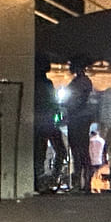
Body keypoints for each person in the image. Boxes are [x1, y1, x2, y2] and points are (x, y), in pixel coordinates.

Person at [34, 54, 67, 193]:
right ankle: (48, 178)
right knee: (58, 151)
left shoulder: (38, 83)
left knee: (40, 153)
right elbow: (52, 103)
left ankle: (42, 179)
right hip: (46, 122)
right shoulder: (45, 83)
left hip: (42, 122)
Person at [63, 56, 94, 192]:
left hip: (78, 119)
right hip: (78, 119)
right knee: (79, 151)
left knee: (79, 151)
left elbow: (78, 100)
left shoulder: (82, 82)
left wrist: (69, 106)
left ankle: (83, 183)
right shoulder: (81, 82)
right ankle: (82, 183)